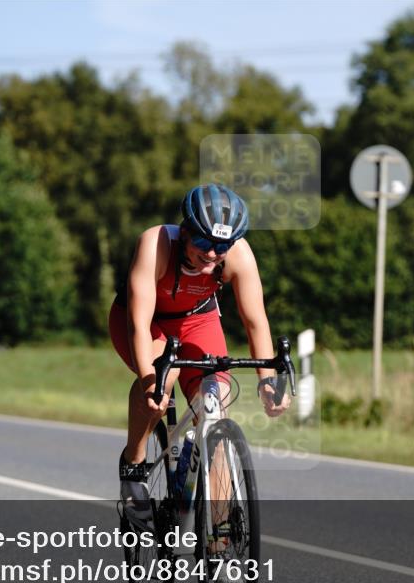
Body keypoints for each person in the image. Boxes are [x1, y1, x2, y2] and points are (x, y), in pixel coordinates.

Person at [109, 183, 291, 531]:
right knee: (165, 378)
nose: (212, 254)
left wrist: (268, 381)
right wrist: (151, 382)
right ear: (187, 232)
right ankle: (133, 464)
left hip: (197, 320)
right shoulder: (156, 243)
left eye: (221, 246)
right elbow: (138, 321)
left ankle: (219, 542)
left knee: (215, 408)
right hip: (146, 321)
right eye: (205, 243)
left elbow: (256, 321)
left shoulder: (238, 255)